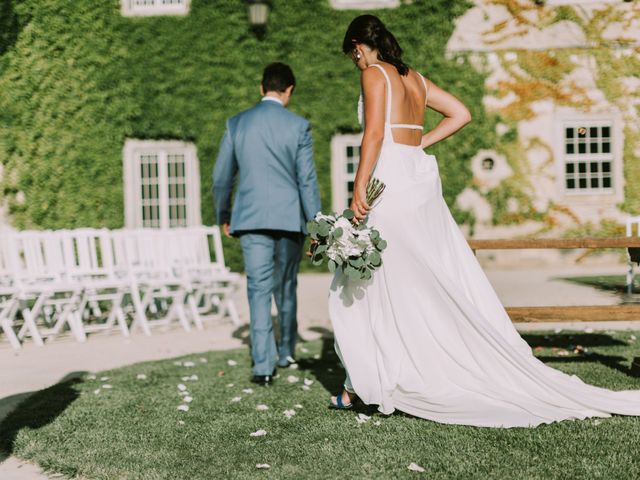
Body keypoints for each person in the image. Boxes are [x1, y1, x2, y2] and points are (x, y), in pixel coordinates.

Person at [328, 14, 640, 427]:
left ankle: (375, 380)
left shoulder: (374, 74)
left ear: (357, 48)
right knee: (419, 279)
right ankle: (376, 378)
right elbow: (460, 113)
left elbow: (372, 136)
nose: (356, 63)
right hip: (418, 180)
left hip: (389, 182)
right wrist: (419, 142)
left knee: (375, 280)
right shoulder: (415, 78)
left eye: (354, 56)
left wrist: (358, 185)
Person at [214, 62, 321, 386]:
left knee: (258, 290)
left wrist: (224, 214)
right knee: (286, 286)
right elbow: (307, 181)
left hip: (251, 219)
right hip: (289, 220)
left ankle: (263, 365)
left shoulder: (237, 124)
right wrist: (316, 225)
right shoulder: (299, 126)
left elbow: (221, 178)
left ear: (262, 88)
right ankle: (286, 350)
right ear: (288, 91)